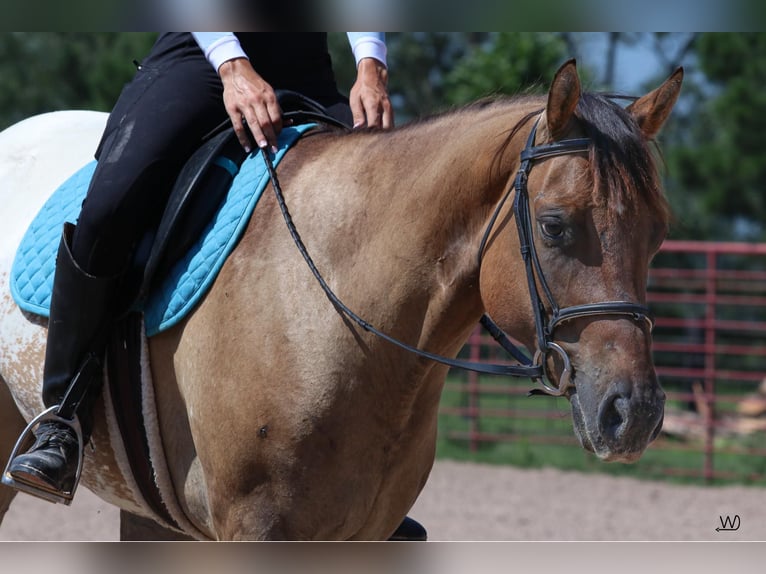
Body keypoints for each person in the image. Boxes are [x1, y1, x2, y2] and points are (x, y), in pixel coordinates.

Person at [5, 33, 394, 503]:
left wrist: (371, 68)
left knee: (380, 219)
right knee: (112, 204)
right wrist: (233, 68)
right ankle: (63, 418)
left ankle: (374, 472)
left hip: (306, 66)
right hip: (204, 60)